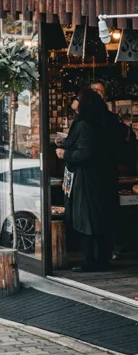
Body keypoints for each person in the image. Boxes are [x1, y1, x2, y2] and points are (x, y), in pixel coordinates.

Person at [58, 88, 118, 270]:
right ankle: (101, 257)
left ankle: (91, 259)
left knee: (85, 217)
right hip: (102, 177)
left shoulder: (83, 124)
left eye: (76, 99)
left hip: (86, 179)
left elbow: (85, 153)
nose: (73, 102)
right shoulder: (102, 121)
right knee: (97, 217)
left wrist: (64, 153)